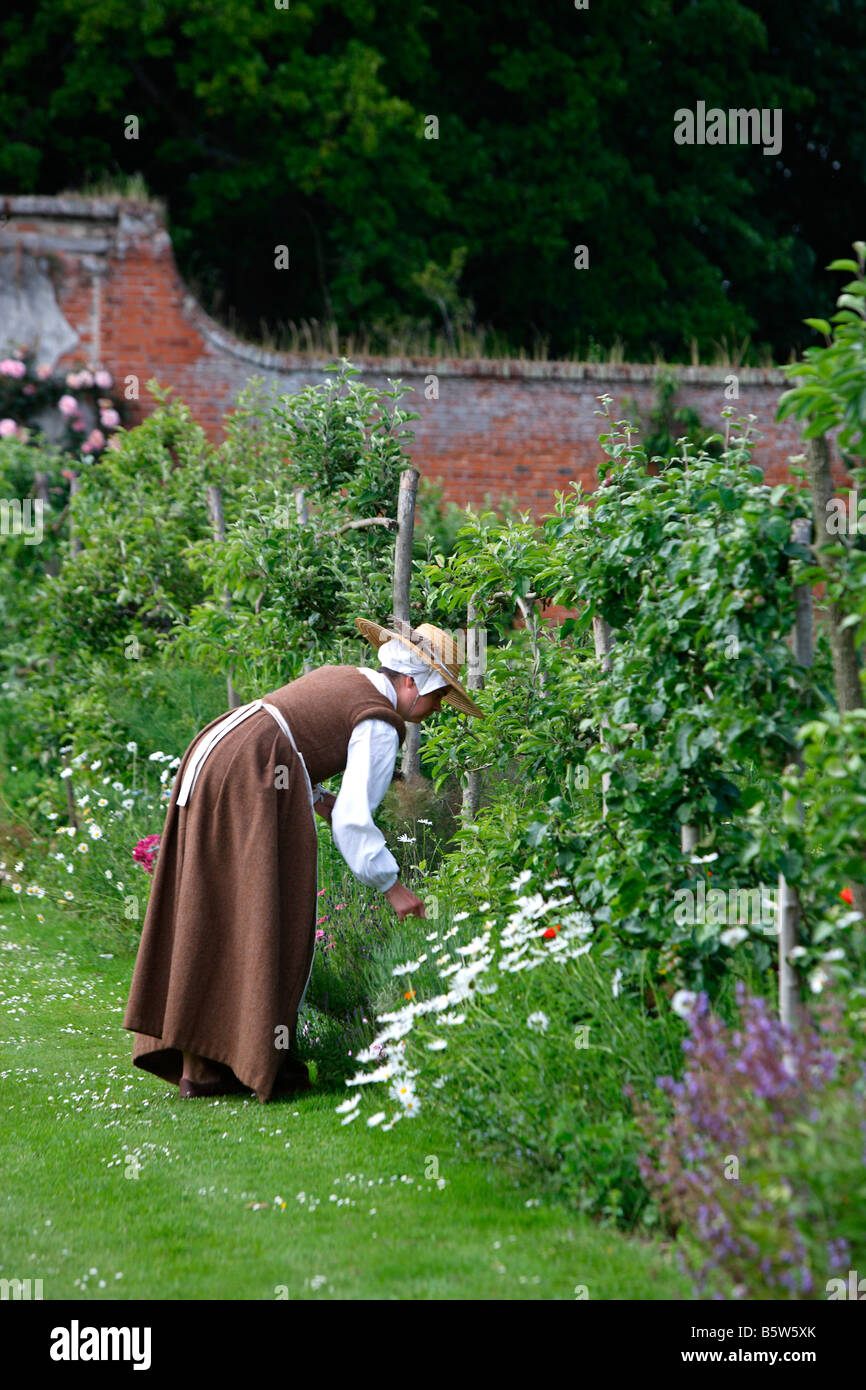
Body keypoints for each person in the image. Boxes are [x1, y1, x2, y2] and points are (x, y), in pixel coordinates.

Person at [122, 618, 484, 1102]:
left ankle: (202, 1068)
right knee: (259, 911)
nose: (437, 709)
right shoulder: (380, 723)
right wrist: (393, 887)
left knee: (212, 905)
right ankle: (237, 1061)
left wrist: (315, 798)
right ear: (412, 683)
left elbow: (290, 734)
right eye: (439, 697)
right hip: (245, 772)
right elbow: (353, 820)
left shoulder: (348, 678)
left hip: (216, 756)